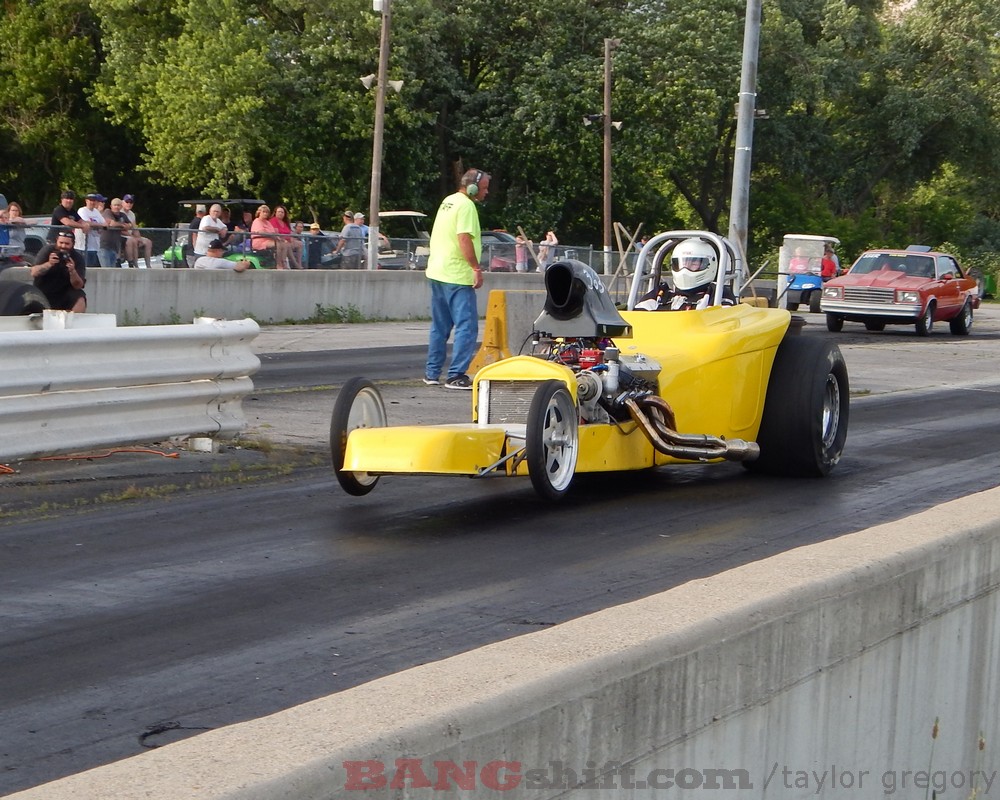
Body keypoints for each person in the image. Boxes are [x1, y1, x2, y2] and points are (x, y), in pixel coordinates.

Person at [423, 168, 490, 390]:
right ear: (472, 188)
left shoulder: (448, 201)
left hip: (437, 272)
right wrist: (475, 267)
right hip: (457, 275)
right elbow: (463, 238)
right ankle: (455, 375)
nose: (486, 192)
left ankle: (431, 373)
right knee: (467, 327)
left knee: (440, 327)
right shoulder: (466, 206)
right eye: (484, 188)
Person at [635, 239, 735, 311]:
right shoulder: (661, 294)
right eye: (683, 263)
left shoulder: (716, 295)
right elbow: (637, 319)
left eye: (693, 263)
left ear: (710, 264)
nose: (684, 270)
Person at [32, 229, 87, 311]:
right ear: (56, 241)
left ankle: (73, 321)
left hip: (65, 293)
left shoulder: (77, 258)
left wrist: (72, 271)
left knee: (80, 298)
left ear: (73, 244)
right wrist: (49, 264)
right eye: (61, 243)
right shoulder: (47, 251)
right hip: (44, 290)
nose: (63, 246)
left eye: (67, 244)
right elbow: (34, 272)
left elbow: (78, 285)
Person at [120, 195, 153, 269]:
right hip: (123, 235)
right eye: (127, 202)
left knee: (148, 242)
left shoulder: (132, 214)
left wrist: (139, 238)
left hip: (131, 235)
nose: (129, 204)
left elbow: (135, 228)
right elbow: (120, 230)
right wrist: (133, 237)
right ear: (123, 202)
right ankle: (135, 265)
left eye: (131, 202)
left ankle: (148, 265)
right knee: (133, 241)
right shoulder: (120, 213)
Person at [99, 197, 131, 267]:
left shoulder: (122, 215)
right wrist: (123, 225)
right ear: (111, 206)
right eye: (115, 205)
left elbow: (130, 225)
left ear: (121, 206)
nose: (116, 207)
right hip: (105, 246)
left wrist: (125, 225)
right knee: (106, 270)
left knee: (112, 270)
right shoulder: (107, 212)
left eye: (118, 205)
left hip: (115, 247)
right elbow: (112, 224)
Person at [270, 204, 297, 269]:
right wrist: (284, 239)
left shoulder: (285, 222)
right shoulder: (273, 220)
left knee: (300, 244)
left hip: (287, 240)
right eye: (279, 212)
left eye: (282, 212)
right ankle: (284, 263)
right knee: (286, 245)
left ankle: (299, 262)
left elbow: (290, 232)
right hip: (279, 240)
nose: (280, 213)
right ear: (275, 213)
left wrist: (292, 238)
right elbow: (276, 233)